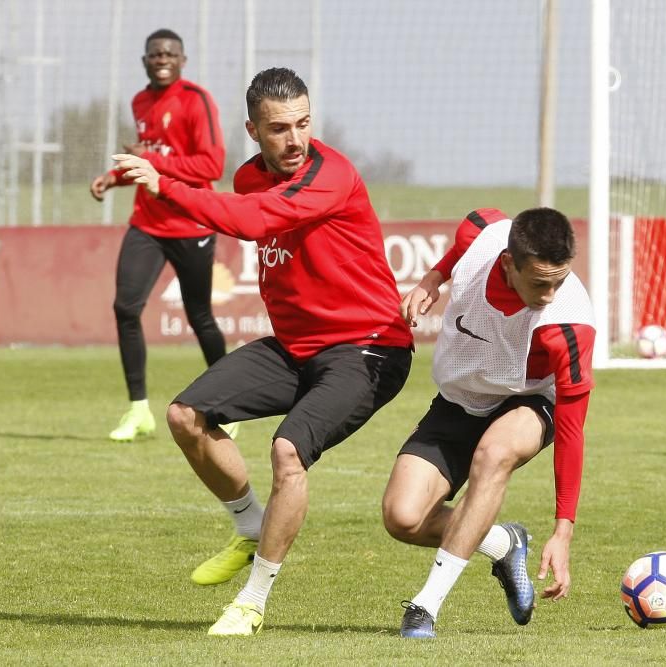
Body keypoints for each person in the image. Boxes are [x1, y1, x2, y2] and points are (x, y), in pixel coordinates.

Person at [113, 67, 414, 636]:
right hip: (297, 348)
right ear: (253, 129)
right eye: (279, 128)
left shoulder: (333, 174)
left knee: (286, 452)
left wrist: (165, 185)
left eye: (303, 123)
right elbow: (245, 205)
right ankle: (250, 524)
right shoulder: (249, 175)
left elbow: (253, 221)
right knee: (184, 416)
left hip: (369, 348)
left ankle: (251, 602)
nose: (295, 139)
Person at [382, 206, 596, 638]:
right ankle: (504, 542)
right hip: (459, 399)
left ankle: (425, 607)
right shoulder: (481, 237)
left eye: (560, 280)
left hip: (530, 401)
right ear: (507, 263)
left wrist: (563, 531)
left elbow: (573, 430)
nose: (551, 293)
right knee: (402, 518)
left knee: (493, 454)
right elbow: (476, 222)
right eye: (540, 282)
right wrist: (432, 279)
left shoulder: (567, 326)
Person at [90, 28, 228, 443]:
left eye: (170, 52)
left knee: (199, 316)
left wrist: (147, 159)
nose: (162, 57)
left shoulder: (196, 99)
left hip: (191, 223)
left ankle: (229, 405)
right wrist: (113, 178)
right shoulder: (139, 101)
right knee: (126, 308)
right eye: (154, 53)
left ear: (182, 60)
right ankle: (138, 412)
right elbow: (150, 153)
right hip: (147, 223)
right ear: (145, 60)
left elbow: (212, 165)